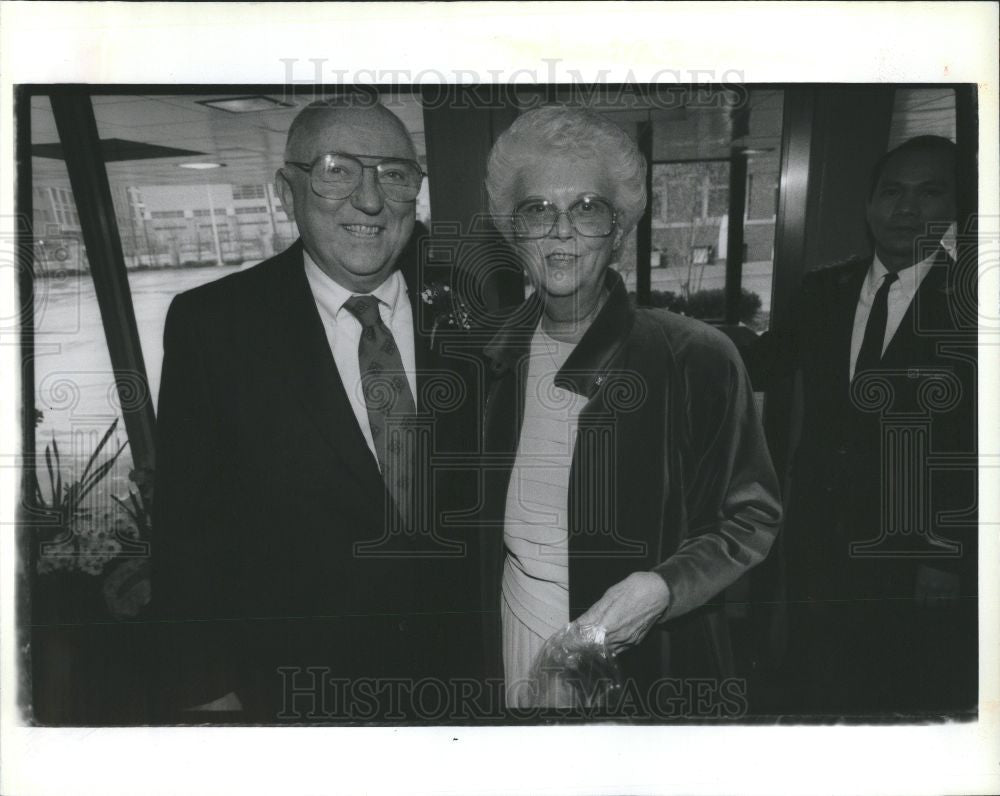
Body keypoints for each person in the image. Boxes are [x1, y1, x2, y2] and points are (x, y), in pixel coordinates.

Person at [151, 99, 481, 721]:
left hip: (460, 681)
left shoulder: (473, 306)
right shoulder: (214, 327)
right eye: (336, 170)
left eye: (394, 174)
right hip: (295, 690)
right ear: (286, 191)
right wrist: (205, 689)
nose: (370, 199)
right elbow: (183, 528)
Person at [477, 106, 782, 711]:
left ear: (620, 230)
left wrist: (665, 587)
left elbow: (751, 518)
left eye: (588, 208)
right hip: (514, 628)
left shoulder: (695, 357)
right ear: (514, 232)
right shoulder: (488, 359)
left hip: (644, 656)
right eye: (538, 210)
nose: (561, 231)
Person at [746, 135, 977, 713]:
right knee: (814, 680)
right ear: (869, 204)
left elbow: (973, 445)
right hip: (816, 536)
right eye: (892, 192)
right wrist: (670, 338)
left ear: (956, 207)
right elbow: (764, 362)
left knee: (894, 692)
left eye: (929, 193)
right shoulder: (825, 289)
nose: (906, 209)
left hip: (911, 551)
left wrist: (945, 556)